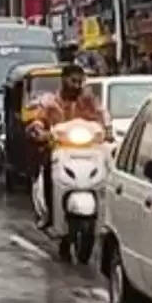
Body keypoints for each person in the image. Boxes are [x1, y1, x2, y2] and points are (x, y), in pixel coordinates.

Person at [27, 63, 107, 229]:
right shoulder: (50, 103)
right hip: (60, 151)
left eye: (80, 82)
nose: (77, 86)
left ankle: (105, 216)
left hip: (88, 152)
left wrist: (108, 131)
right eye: (73, 81)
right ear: (63, 80)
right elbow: (39, 120)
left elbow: (102, 117)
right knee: (47, 166)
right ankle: (49, 212)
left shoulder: (89, 102)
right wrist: (39, 130)